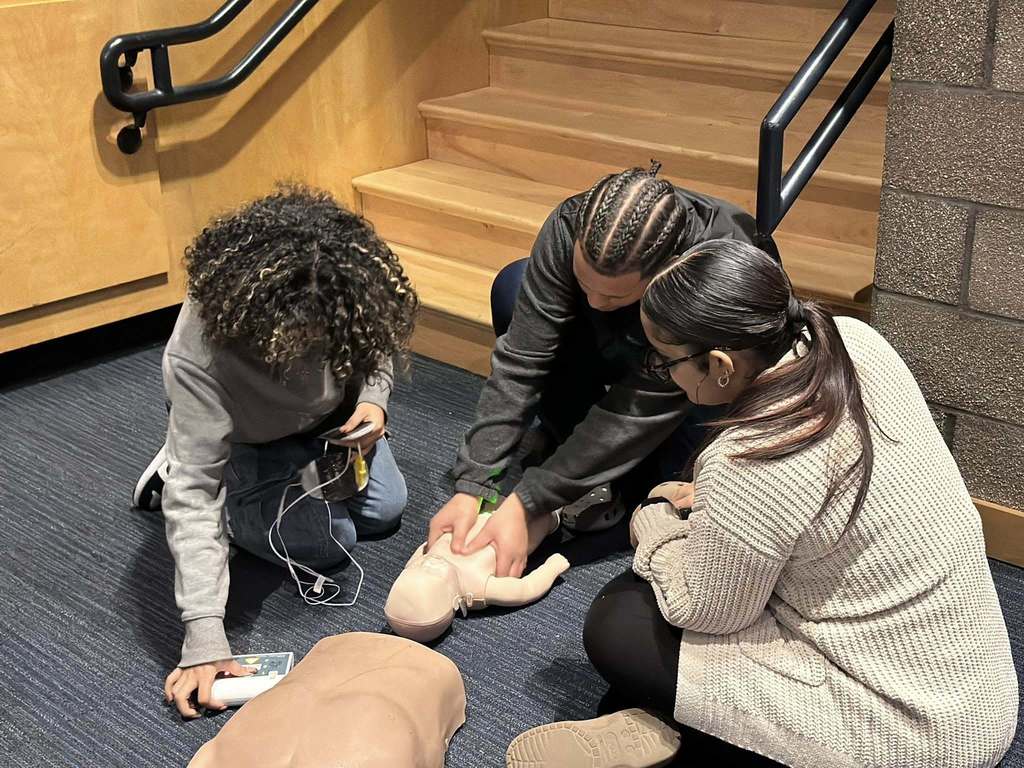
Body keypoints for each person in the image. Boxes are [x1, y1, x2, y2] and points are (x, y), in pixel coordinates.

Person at [509, 239, 1018, 768]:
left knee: (621, 620)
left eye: (665, 362)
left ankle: (696, 734)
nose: (661, 372)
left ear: (722, 365)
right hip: (977, 688)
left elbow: (703, 610)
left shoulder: (749, 458)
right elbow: (810, 492)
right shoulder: (854, 338)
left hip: (913, 731)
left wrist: (656, 527)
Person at [131, 187, 418, 718]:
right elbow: (196, 496)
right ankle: (178, 454)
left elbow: (375, 344)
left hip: (333, 429)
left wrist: (375, 403)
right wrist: (203, 638)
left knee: (385, 512)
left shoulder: (341, 279)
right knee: (331, 542)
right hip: (248, 440)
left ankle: (249, 465)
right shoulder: (201, 352)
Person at [429, 163, 773, 578]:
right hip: (642, 353)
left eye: (612, 295)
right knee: (514, 284)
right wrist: (475, 482)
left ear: (664, 271)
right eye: (583, 283)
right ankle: (577, 457)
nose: (592, 302)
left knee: (670, 496)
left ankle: (593, 470)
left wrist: (532, 498)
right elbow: (522, 358)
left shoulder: (713, 264)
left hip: (694, 385)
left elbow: (641, 406)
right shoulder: (569, 223)